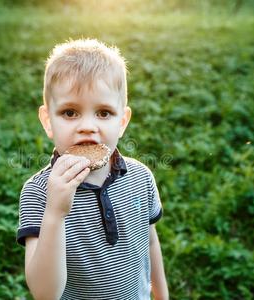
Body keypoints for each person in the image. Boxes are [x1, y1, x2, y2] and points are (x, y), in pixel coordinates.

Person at [17, 38, 169, 299]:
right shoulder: (38, 193)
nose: (87, 125)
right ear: (47, 120)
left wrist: (162, 295)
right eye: (70, 113)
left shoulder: (141, 178)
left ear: (122, 121)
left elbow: (150, 242)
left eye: (103, 113)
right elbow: (44, 294)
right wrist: (55, 213)